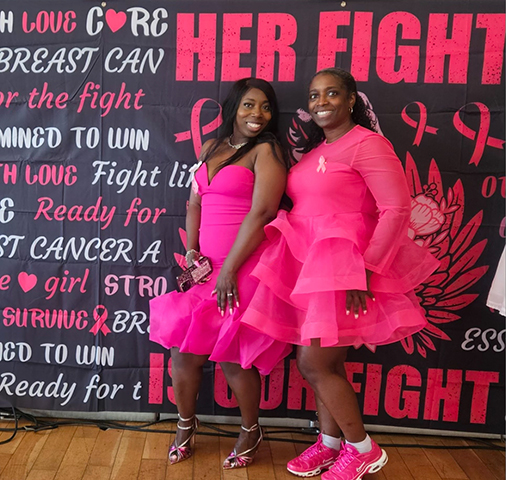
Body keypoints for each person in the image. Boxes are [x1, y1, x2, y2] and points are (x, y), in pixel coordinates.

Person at [241, 68, 440, 480]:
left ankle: (363, 449)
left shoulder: (368, 144)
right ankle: (331, 444)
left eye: (332, 93)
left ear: (351, 100)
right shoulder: (317, 150)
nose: (321, 102)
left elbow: (396, 210)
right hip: (310, 267)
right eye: (314, 95)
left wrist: (366, 270)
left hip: (345, 269)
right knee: (323, 361)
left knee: (314, 362)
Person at [149, 78, 291, 469]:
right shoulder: (211, 148)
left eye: (265, 107)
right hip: (206, 269)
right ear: (233, 108)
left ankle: (250, 430)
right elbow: (194, 203)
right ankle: (185, 425)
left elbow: (263, 212)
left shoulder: (267, 151)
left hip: (241, 267)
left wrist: (229, 268)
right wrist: (191, 252)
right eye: (249, 105)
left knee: (232, 356)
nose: (257, 114)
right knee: (183, 353)